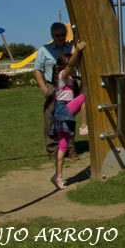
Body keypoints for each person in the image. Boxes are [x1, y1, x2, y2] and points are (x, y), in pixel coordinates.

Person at [33, 23, 85, 160]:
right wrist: (44, 88)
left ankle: (70, 149)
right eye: (57, 35)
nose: (60, 37)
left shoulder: (71, 47)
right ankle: (53, 150)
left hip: (71, 85)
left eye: (63, 34)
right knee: (51, 118)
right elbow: (37, 70)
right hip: (54, 86)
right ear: (52, 35)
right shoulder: (44, 50)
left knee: (69, 117)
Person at [50, 40, 87, 190]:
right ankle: (84, 126)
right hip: (63, 109)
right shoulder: (62, 75)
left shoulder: (70, 79)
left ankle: (57, 176)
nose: (72, 68)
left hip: (61, 112)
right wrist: (77, 51)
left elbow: (73, 65)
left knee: (63, 145)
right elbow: (70, 65)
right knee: (86, 96)